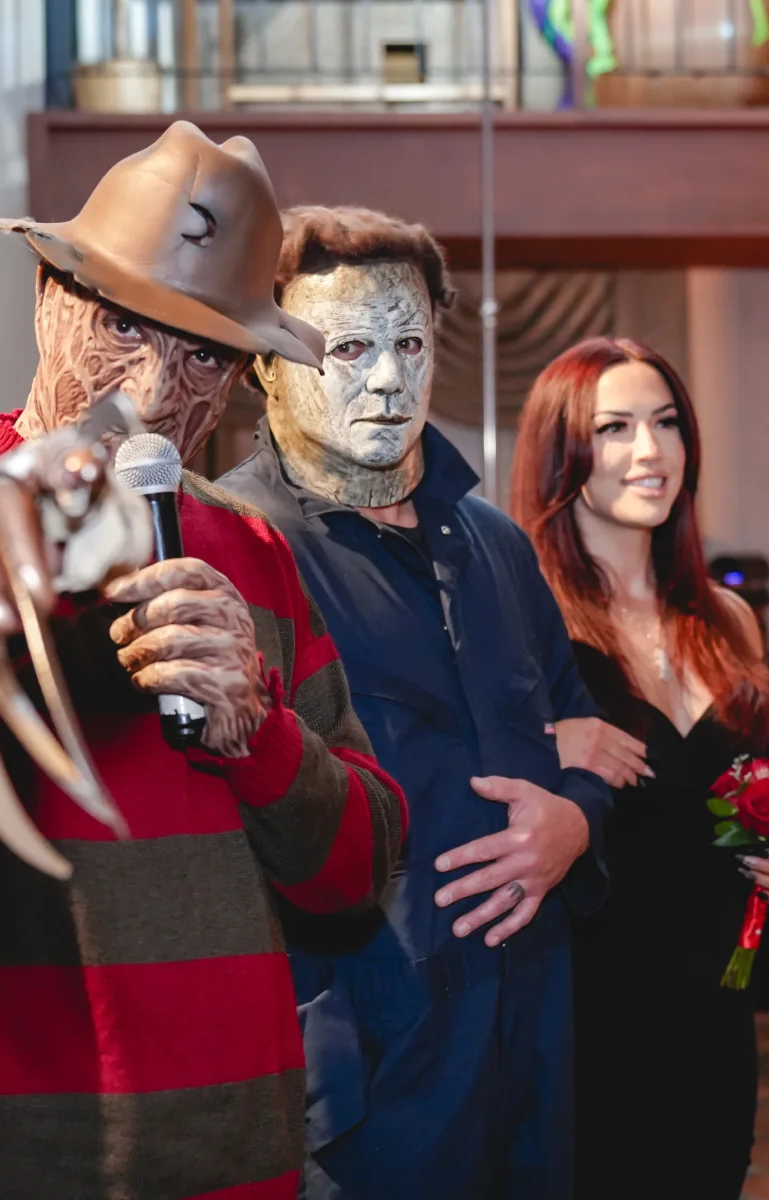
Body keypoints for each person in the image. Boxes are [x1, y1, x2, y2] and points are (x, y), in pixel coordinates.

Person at [0, 124, 407, 1200]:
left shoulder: (257, 554)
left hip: (226, 1138)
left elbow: (357, 871)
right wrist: (95, 466)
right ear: (47, 299)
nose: (149, 383)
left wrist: (260, 738)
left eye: (200, 351)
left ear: (240, 377)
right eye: (121, 322)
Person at [216, 206, 621, 1200]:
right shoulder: (228, 546)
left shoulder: (496, 545)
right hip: (361, 1068)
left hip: (531, 1035)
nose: (389, 378)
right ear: (266, 361)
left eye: (409, 342)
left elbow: (579, 725)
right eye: (347, 348)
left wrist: (576, 819)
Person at [511, 337, 769, 1199]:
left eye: (667, 422)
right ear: (565, 452)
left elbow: (751, 796)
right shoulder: (526, 619)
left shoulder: (728, 619)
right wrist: (547, 744)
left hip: (715, 1003)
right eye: (616, 428)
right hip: (590, 1003)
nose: (652, 451)